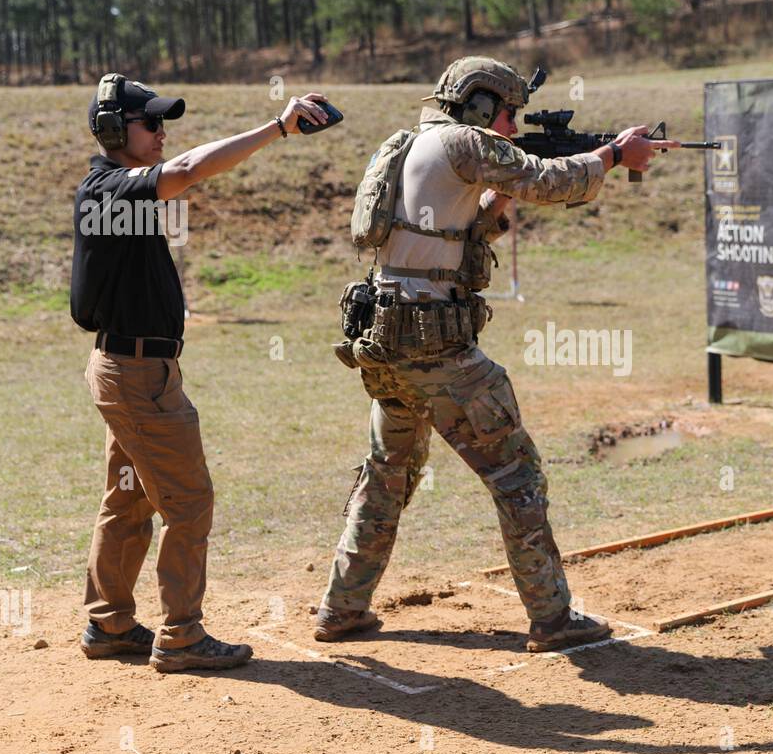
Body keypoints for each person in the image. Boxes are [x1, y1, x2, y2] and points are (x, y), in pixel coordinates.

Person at [315, 56, 678, 652]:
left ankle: (342, 607)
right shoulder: (465, 143)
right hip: (437, 345)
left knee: (386, 475)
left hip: (385, 339)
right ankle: (553, 617)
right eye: (510, 113)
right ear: (483, 106)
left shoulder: (412, 144)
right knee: (517, 476)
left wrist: (501, 194)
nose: (512, 126)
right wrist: (613, 155)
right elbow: (556, 181)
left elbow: (463, 231)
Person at [72, 73, 334, 672]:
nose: (162, 133)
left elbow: (180, 171)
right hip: (138, 374)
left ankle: (109, 624)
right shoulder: (111, 188)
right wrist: (278, 128)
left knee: (130, 498)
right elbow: (188, 171)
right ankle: (182, 635)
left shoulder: (112, 190)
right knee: (188, 502)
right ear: (115, 130)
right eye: (151, 123)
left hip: (131, 366)